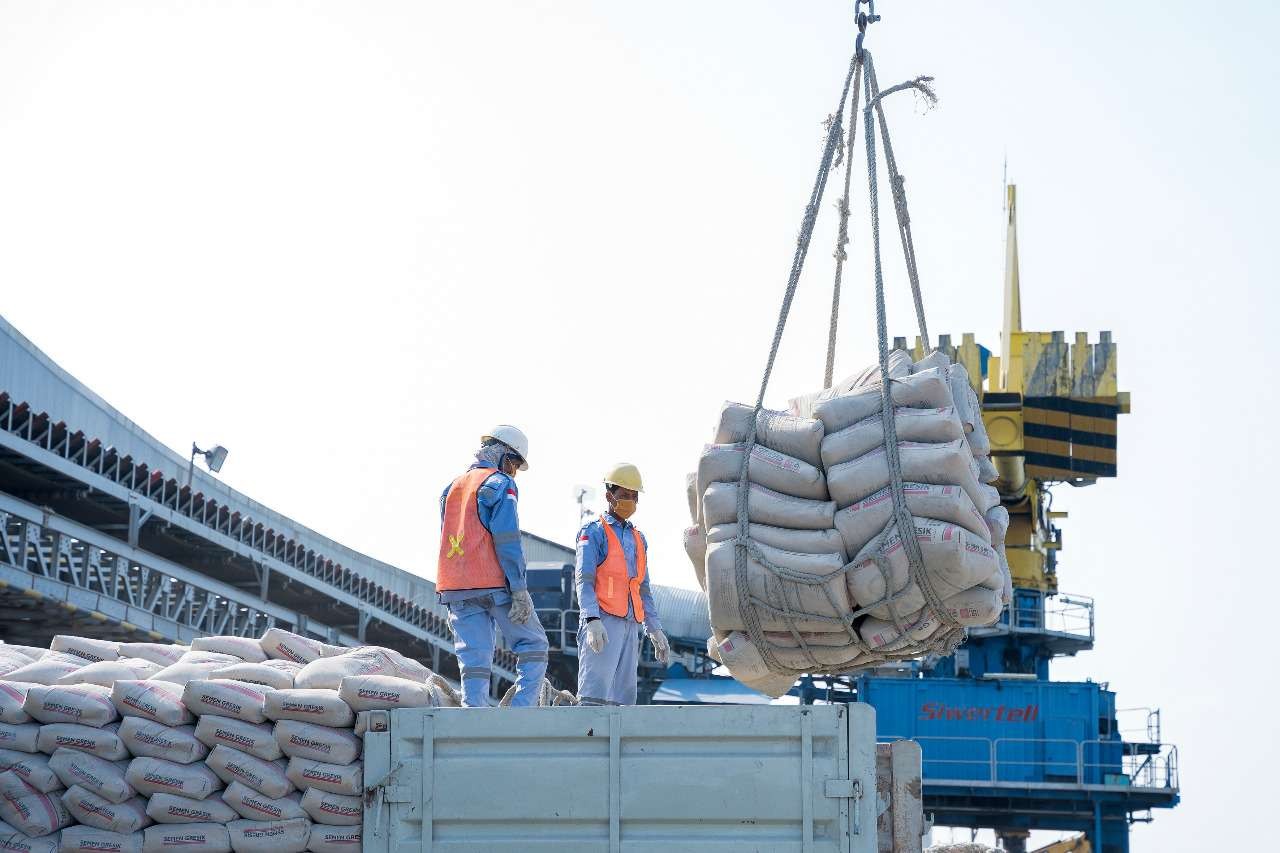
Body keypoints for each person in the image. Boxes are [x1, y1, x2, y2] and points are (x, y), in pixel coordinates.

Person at [438, 425, 549, 707]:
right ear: (504, 455)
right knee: (534, 647)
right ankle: (520, 712)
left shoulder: (451, 488)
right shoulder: (500, 484)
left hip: (457, 588)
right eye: (514, 464)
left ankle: (474, 717)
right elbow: (508, 541)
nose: (513, 472)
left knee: (474, 662)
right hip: (496, 583)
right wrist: (519, 590)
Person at [575, 463, 669, 706]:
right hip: (603, 622)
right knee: (594, 695)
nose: (630, 501)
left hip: (630, 625)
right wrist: (591, 620)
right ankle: (588, 740)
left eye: (634, 497)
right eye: (624, 496)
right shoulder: (593, 532)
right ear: (609, 496)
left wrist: (655, 629)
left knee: (624, 700)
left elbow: (643, 589)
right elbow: (583, 580)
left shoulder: (639, 539)